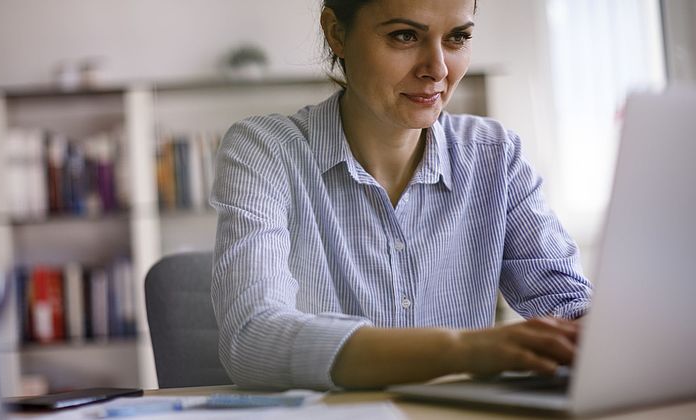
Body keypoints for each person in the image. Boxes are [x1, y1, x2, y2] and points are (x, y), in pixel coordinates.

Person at [210, 0, 592, 390]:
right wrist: (462, 350)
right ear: (336, 33)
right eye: (404, 36)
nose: (438, 69)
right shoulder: (264, 149)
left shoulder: (496, 155)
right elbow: (252, 339)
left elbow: (570, 306)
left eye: (457, 37)